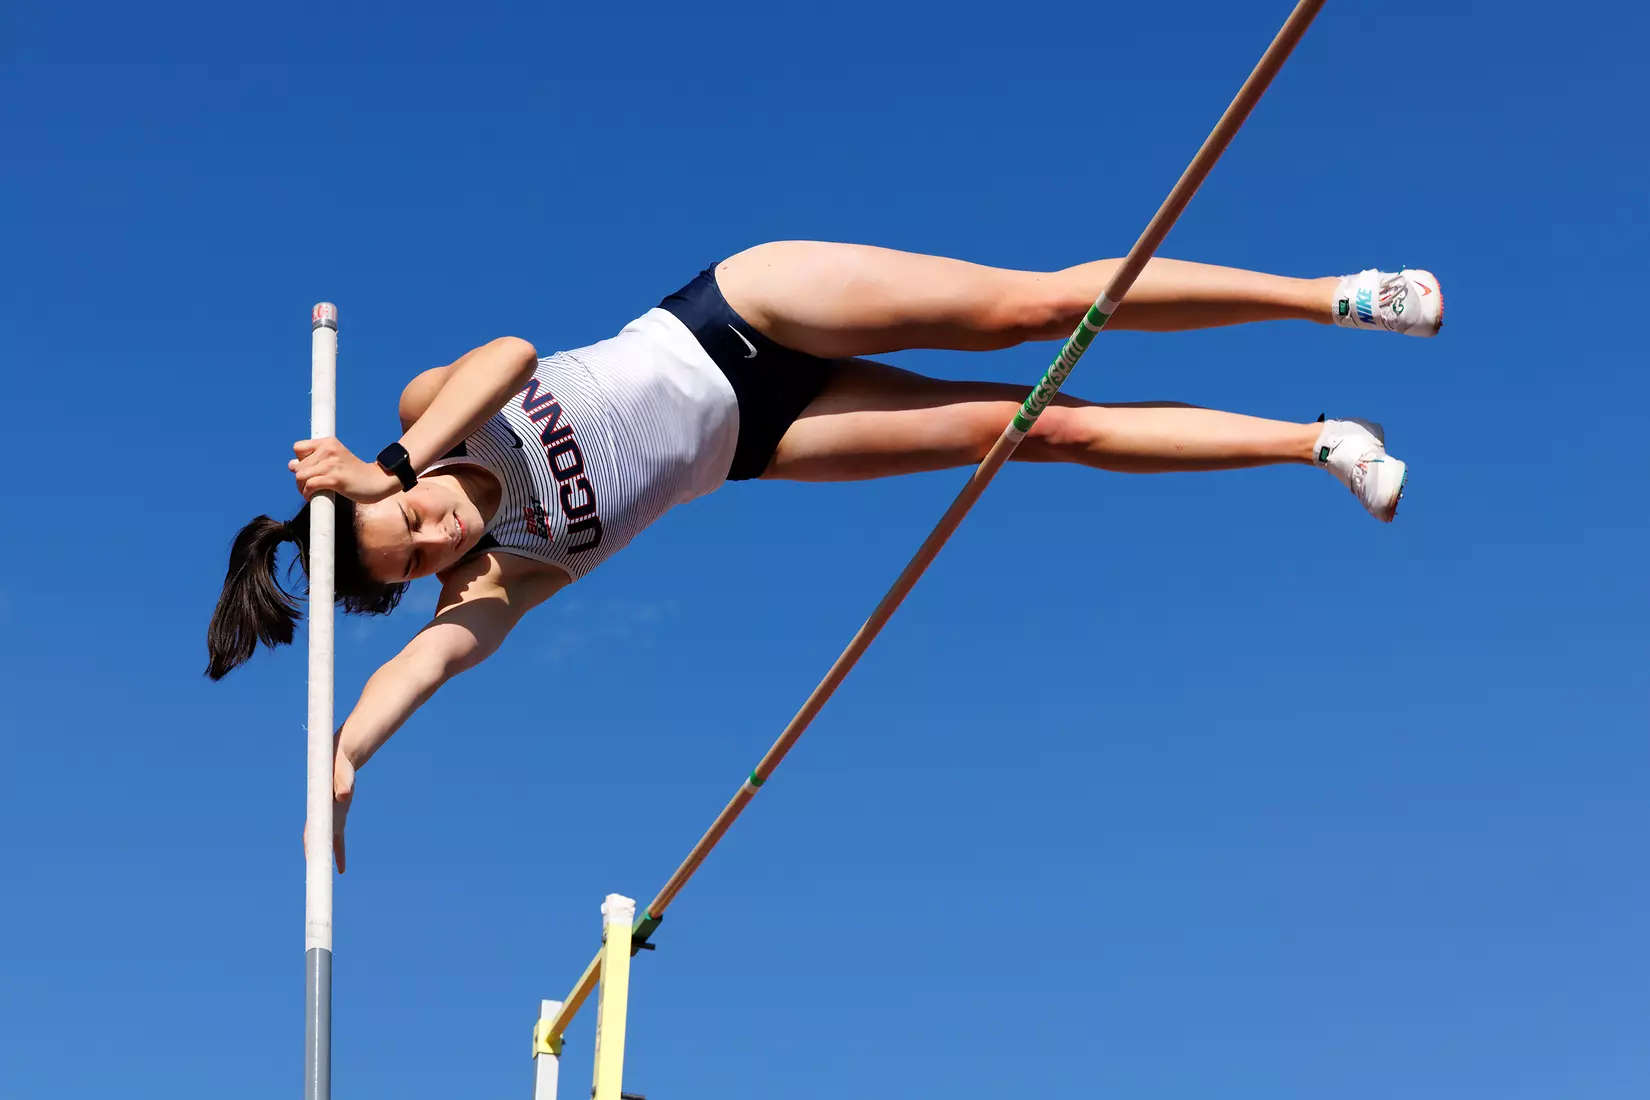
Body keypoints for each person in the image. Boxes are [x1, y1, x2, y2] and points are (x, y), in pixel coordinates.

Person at [205, 241, 1442, 868]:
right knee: (1040, 427)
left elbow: (515, 351)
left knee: (1035, 305)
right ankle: (1318, 439)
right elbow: (420, 670)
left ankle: (1335, 292)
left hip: (744, 311)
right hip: (767, 438)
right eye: (418, 554)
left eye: (416, 519)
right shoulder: (502, 575)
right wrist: (345, 753)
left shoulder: (437, 416)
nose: (439, 534)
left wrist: (398, 465)